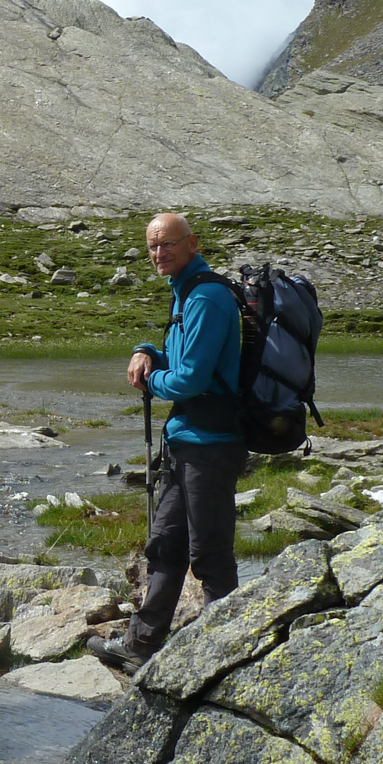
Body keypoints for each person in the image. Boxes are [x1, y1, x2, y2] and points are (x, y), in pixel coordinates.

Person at [89, 212, 246, 672]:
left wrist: (151, 380)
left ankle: (226, 658)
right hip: (187, 441)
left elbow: (190, 378)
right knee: (165, 544)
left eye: (168, 244)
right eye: (153, 246)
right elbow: (181, 356)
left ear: (192, 244)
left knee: (210, 554)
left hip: (211, 444)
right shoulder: (185, 291)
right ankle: (141, 644)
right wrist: (146, 349)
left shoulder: (207, 297)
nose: (159, 253)